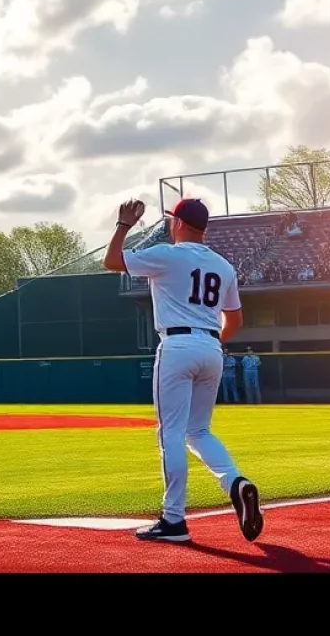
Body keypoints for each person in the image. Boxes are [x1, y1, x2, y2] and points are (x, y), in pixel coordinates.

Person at [103, 197, 263, 544]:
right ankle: (236, 482)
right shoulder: (223, 265)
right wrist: (213, 343)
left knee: (171, 433)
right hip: (211, 346)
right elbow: (235, 318)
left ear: (178, 223)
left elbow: (111, 261)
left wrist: (123, 225)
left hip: (177, 345)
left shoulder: (168, 254)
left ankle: (173, 519)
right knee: (199, 431)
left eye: (171, 220)